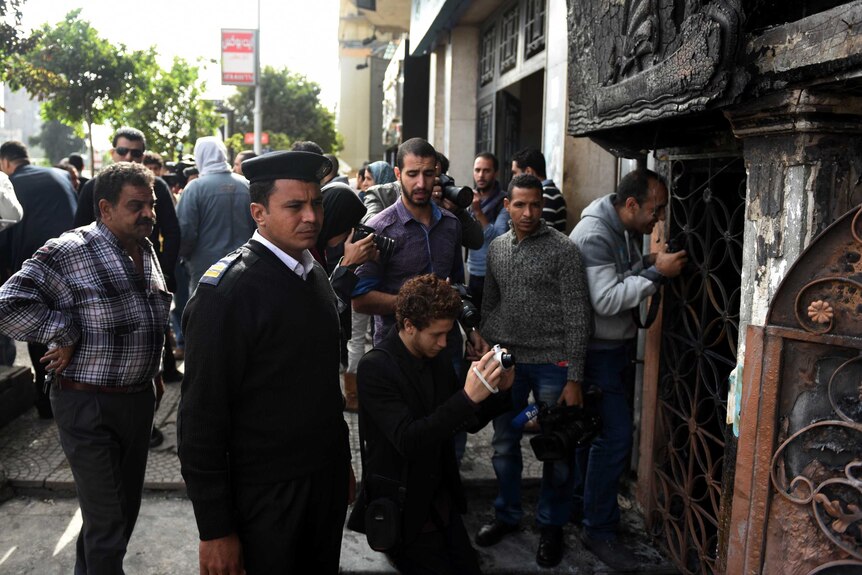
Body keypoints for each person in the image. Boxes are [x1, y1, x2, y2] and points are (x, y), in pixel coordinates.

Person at [178, 151, 355, 574]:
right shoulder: (227, 294)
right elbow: (200, 420)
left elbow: (322, 387)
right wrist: (215, 529)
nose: (311, 216)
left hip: (321, 483)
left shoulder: (311, 273)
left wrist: (340, 462)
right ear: (259, 212)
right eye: (294, 206)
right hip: (266, 497)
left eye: (316, 203)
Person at [0, 162, 171, 573]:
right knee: (108, 519)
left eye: (151, 205)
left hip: (138, 400)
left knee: (120, 513)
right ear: (105, 208)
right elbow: (7, 304)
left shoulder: (145, 248)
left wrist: (155, 368)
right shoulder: (68, 250)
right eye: (136, 206)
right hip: (86, 403)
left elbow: (148, 315)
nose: (147, 213)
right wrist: (64, 330)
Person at [348, 274, 514, 574]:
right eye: (436, 335)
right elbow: (409, 440)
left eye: (448, 334)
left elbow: (468, 421)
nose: (443, 342)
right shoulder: (376, 368)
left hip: (440, 500)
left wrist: (497, 389)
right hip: (404, 508)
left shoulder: (435, 356)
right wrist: (467, 396)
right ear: (409, 325)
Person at [568, 168, 687, 571]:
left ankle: (581, 506)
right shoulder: (596, 234)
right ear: (631, 204)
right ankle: (598, 528)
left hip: (612, 348)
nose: (658, 219)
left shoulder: (621, 229)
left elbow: (620, 275)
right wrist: (657, 273)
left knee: (594, 436)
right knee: (614, 438)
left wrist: (648, 260)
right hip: (598, 352)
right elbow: (605, 298)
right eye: (656, 210)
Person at [476, 174, 591, 568]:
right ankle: (506, 515)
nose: (528, 213)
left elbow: (579, 316)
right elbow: (491, 304)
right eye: (520, 204)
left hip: (553, 364)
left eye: (535, 205)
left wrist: (574, 376)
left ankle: (551, 526)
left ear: (543, 207)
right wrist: (486, 346)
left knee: (556, 449)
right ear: (506, 204)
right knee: (505, 443)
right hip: (509, 363)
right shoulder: (497, 249)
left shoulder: (564, 250)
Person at [352, 138, 488, 369]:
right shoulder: (380, 229)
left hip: (446, 350)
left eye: (427, 173)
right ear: (398, 173)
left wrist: (472, 331)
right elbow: (361, 300)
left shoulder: (451, 224)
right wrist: (419, 304)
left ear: (437, 172)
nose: (421, 183)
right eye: (412, 174)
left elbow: (456, 288)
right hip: (396, 354)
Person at [74, 127, 182, 406]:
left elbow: (172, 231)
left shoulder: (155, 186)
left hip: (147, 276)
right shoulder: (93, 186)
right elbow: (76, 232)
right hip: (102, 289)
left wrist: (165, 273)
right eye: (123, 151)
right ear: (113, 152)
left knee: (154, 333)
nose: (129, 157)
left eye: (136, 153)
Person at [0, 140, 77, 417]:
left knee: (40, 336)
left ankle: (47, 403)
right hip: (74, 265)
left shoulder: (10, 185)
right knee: (72, 329)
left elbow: (5, 233)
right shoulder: (59, 174)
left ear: (5, 163)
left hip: (36, 272)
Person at [176, 136, 255, 288]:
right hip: (245, 264)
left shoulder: (194, 189)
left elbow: (185, 232)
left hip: (206, 268)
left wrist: (185, 258)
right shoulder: (246, 186)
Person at [466, 151, 509, 312]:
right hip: (474, 271)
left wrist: (478, 212)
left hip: (494, 274)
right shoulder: (469, 198)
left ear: (495, 173)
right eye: (477, 170)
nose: (481, 175)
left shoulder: (503, 201)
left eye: (486, 170)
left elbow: (498, 238)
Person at [511, 148, 567, 232]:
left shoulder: (546, 195)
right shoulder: (550, 192)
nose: (513, 177)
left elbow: (538, 235)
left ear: (528, 172)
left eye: (515, 173)